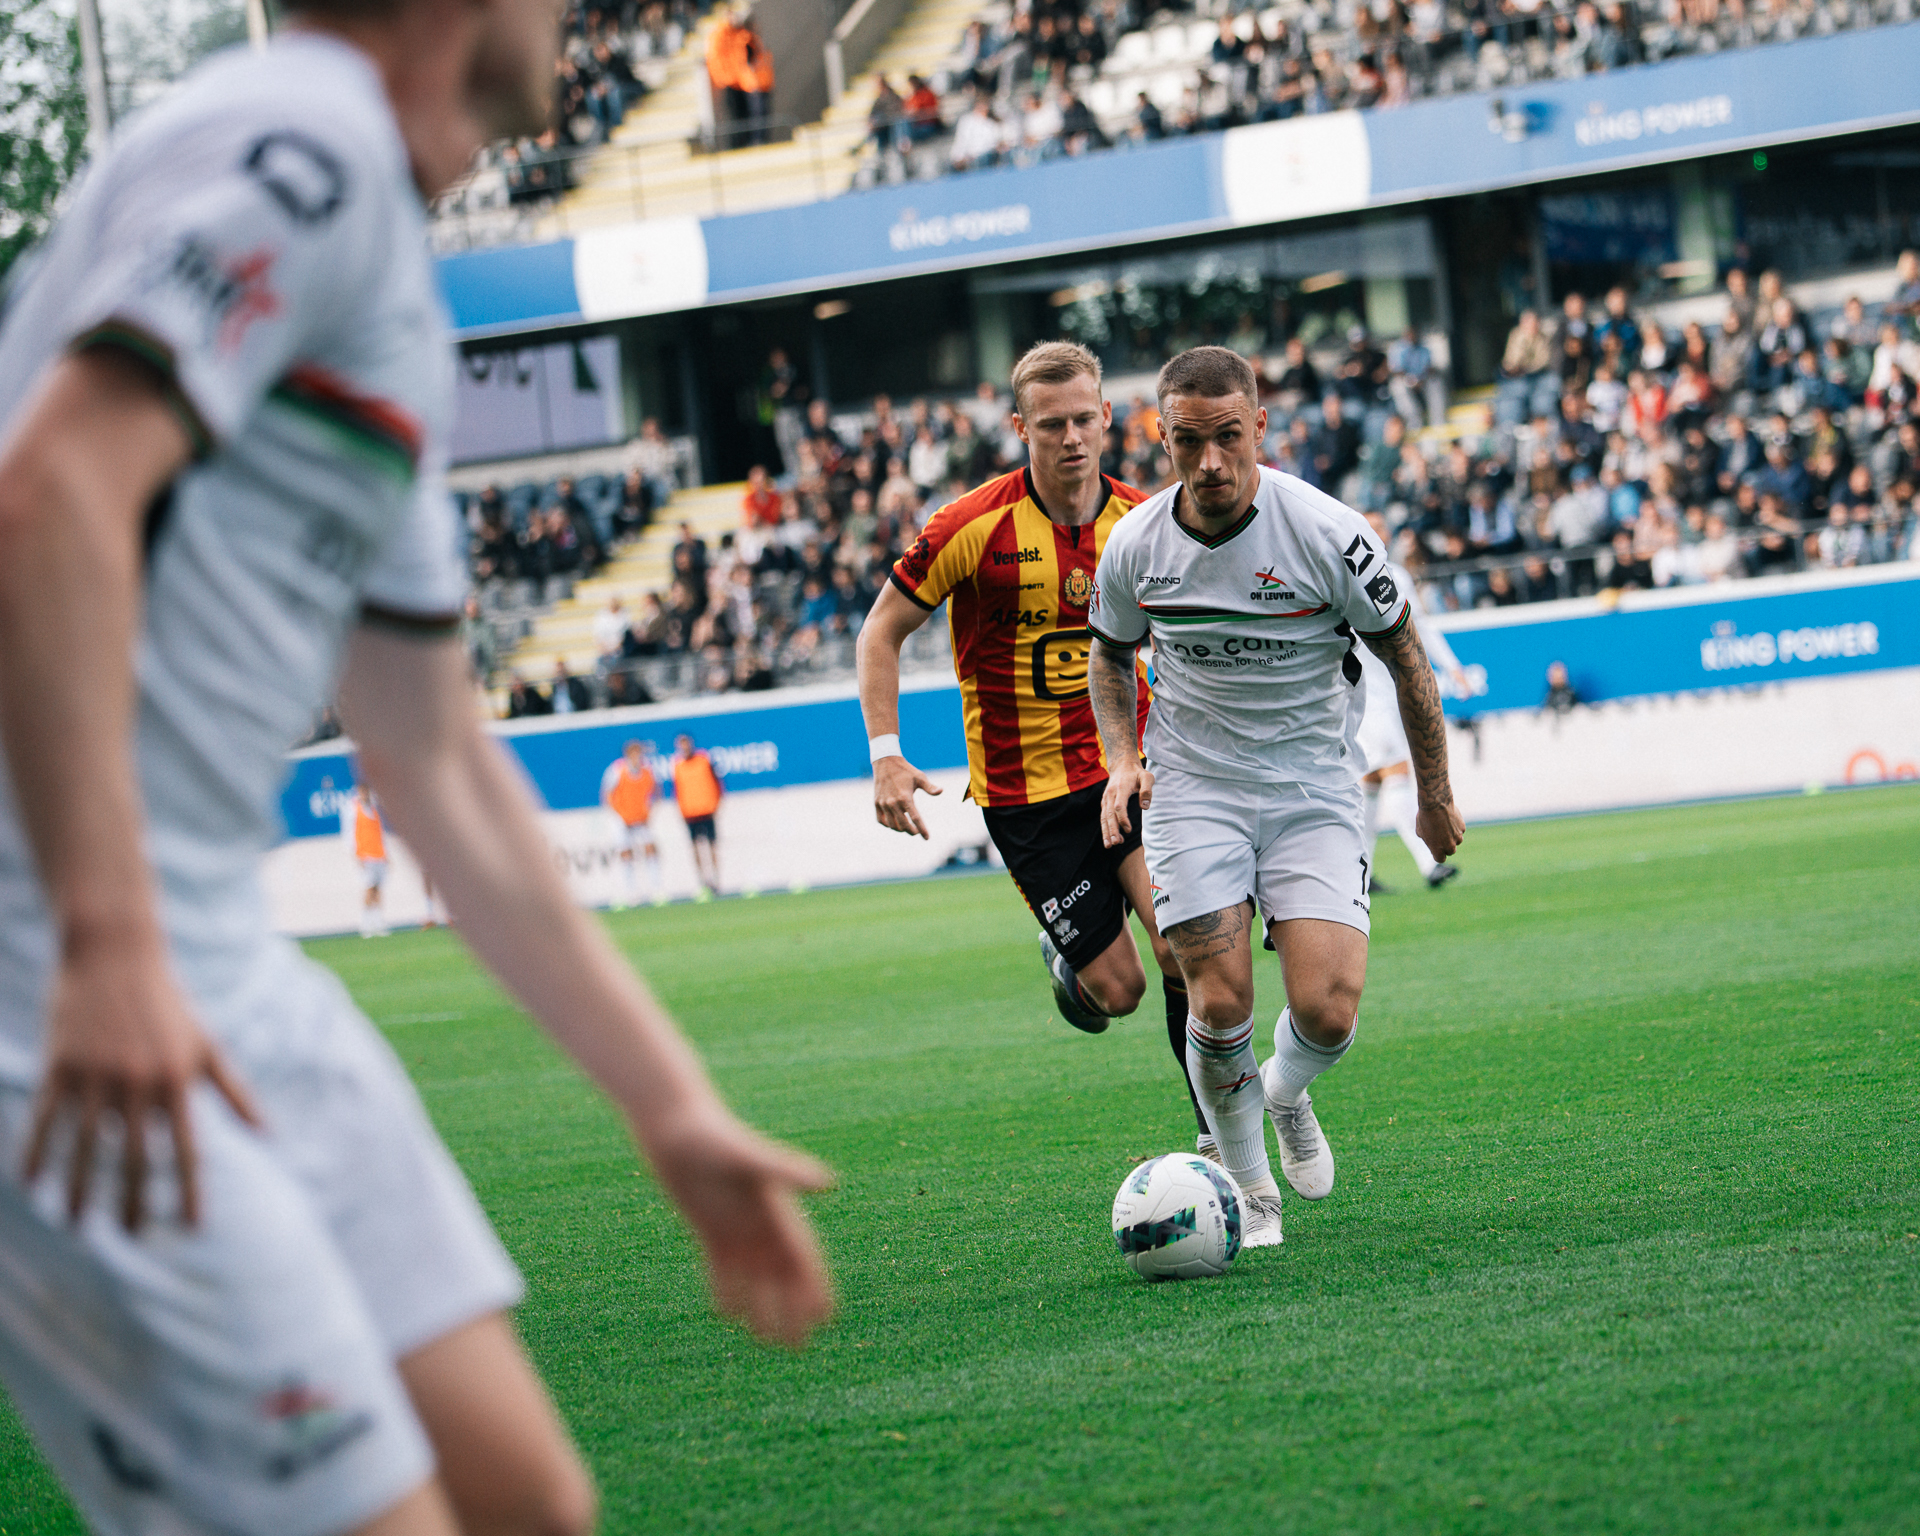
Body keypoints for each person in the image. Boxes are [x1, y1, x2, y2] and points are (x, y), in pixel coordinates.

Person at [0, 3, 834, 1530]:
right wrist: (105, 944)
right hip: (57, 976)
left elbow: (433, 753)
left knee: (524, 1501)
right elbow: (51, 488)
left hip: (219, 967)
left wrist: (667, 1104)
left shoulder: (373, 252)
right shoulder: (304, 139)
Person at [1086, 347, 1464, 1250]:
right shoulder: (1136, 544)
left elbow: (1407, 659)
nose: (1209, 461)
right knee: (1217, 1003)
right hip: (1195, 788)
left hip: (1312, 787)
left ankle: (1284, 1093)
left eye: (1228, 436)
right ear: (1163, 439)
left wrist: (1434, 795)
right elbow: (1109, 653)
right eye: (1187, 441)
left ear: (1259, 425)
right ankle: (1251, 1192)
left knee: (1329, 1010)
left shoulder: (1330, 534)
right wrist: (1121, 759)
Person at [856, 341, 1216, 1158]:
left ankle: (1217, 1140)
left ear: (1109, 417)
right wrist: (886, 753)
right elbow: (881, 630)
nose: (1071, 437)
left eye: (1084, 419)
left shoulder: (1147, 522)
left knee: (1183, 950)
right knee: (1118, 992)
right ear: (1020, 427)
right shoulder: (970, 525)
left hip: (1129, 772)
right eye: (1051, 424)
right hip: (1027, 800)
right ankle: (1072, 965)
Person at [1353, 514, 1470, 893]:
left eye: (1381, 526)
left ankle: (1361, 872)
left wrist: (1452, 667)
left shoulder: (1396, 575)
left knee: (1372, 780)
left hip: (1389, 689)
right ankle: (1429, 863)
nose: (1379, 533)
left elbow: (1421, 627)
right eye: (1371, 526)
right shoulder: (1343, 573)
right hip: (1367, 691)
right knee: (1397, 771)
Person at [602, 739, 664, 907]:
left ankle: (657, 889)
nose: (637, 756)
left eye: (639, 752)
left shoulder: (648, 770)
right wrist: (618, 816)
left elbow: (657, 791)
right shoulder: (616, 770)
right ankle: (631, 892)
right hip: (621, 818)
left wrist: (650, 811)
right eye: (634, 752)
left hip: (641, 818)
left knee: (650, 848)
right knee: (625, 852)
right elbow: (607, 794)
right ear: (627, 754)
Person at [673, 733, 724, 896]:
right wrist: (681, 810)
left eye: (686, 744)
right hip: (690, 813)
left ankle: (716, 880)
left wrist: (717, 803)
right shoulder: (678, 765)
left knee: (712, 845)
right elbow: (677, 790)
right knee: (695, 848)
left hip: (707, 809)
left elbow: (717, 782)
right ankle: (703, 881)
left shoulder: (703, 760)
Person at [345, 782, 391, 938]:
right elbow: (349, 833)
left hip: (379, 854)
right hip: (365, 855)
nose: (364, 794)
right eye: (362, 792)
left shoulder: (374, 809)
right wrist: (356, 854)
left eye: (366, 791)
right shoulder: (353, 810)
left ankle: (378, 922)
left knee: (378, 889)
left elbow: (380, 833)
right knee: (369, 888)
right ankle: (365, 923)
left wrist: (386, 855)